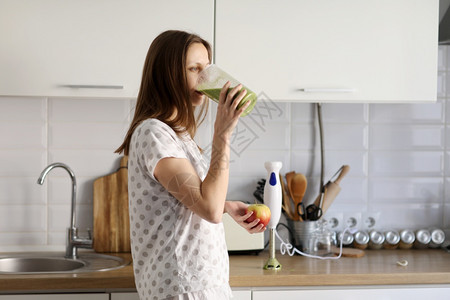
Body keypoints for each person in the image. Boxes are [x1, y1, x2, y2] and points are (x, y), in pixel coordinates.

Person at [115, 30, 266, 300]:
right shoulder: (154, 133)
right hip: (183, 287)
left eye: (206, 68)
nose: (205, 77)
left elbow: (193, 200)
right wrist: (223, 135)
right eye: (194, 69)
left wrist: (226, 206)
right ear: (168, 75)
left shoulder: (176, 134)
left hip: (197, 286)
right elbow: (208, 209)